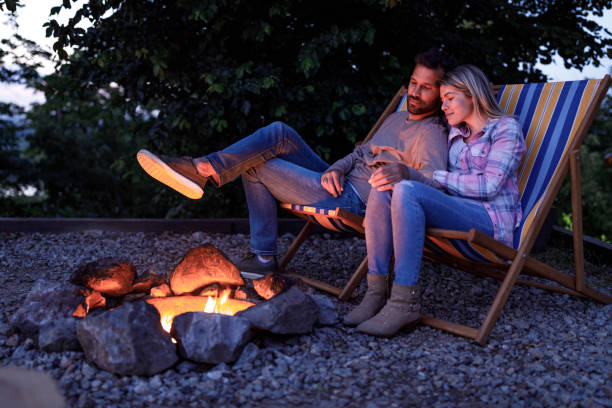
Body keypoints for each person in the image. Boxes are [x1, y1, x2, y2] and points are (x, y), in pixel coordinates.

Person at [136, 49, 455, 275]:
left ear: (441, 93)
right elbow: (361, 152)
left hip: (357, 200)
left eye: (426, 87)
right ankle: (204, 168)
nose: (415, 91)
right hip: (336, 180)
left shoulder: (432, 134)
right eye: (414, 82)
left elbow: (432, 182)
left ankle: (260, 255)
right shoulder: (399, 117)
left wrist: (399, 174)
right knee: (279, 132)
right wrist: (337, 167)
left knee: (255, 165)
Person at [344, 64, 527, 336]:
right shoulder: (454, 136)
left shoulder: (505, 129)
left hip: (489, 221)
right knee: (386, 185)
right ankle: (376, 291)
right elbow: (434, 183)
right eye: (443, 101)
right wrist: (405, 174)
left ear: (473, 96)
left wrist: (423, 177)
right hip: (457, 211)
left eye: (450, 99)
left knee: (406, 188)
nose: (444, 107)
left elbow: (489, 185)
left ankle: (404, 302)